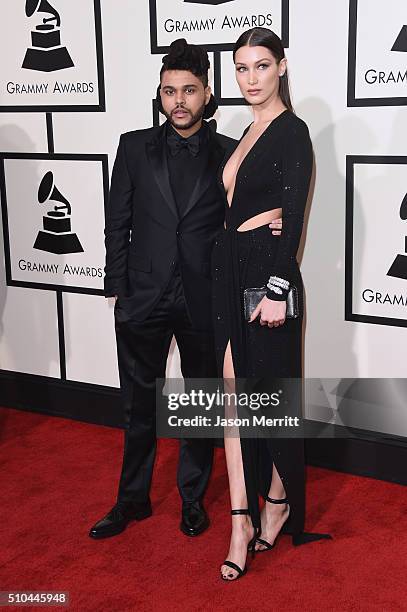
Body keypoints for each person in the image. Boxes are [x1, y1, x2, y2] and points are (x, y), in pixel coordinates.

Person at [89, 39, 237, 540]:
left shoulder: (229, 153)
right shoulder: (133, 146)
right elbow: (117, 223)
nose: (178, 100)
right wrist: (119, 289)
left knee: (198, 403)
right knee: (137, 405)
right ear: (159, 93)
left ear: (206, 94)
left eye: (189, 91)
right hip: (143, 298)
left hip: (202, 300)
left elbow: (239, 229)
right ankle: (131, 500)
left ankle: (192, 499)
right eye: (170, 90)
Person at [211, 27, 331, 581]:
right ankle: (242, 519)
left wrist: (279, 288)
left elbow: (293, 215)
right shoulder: (244, 132)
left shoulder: (292, 131)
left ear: (281, 67)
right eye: (240, 68)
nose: (250, 79)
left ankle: (278, 499)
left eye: (261, 66)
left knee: (271, 399)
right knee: (235, 401)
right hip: (230, 268)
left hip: (267, 273)